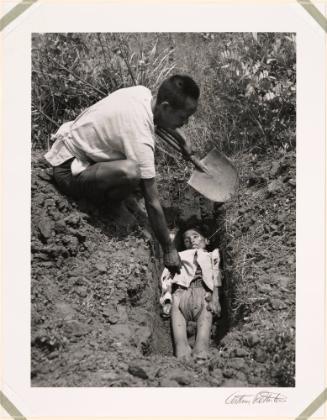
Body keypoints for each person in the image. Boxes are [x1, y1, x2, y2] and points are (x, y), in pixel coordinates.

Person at [44, 75, 200, 274]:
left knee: (134, 170)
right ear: (166, 107)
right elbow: (152, 202)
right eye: (182, 118)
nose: (185, 123)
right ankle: (105, 206)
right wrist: (169, 249)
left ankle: (106, 185)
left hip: (76, 147)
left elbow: (159, 120)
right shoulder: (141, 138)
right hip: (68, 169)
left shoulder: (142, 93)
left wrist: (182, 141)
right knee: (132, 173)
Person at [160, 225, 222, 359]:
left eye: (195, 236)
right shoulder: (178, 255)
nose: (192, 240)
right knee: (180, 347)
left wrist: (216, 299)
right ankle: (182, 351)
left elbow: (216, 276)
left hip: (204, 295)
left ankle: (201, 350)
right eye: (187, 240)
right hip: (180, 294)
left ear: (206, 241)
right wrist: (167, 297)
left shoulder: (212, 255)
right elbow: (167, 276)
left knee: (202, 346)